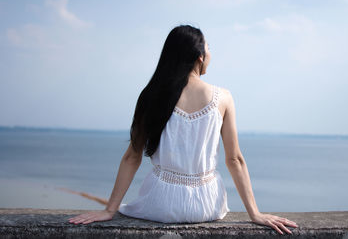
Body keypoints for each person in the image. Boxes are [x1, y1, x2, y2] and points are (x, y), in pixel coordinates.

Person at [68, 24, 298, 235]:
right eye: (209, 48)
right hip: (207, 206)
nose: (210, 54)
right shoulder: (223, 97)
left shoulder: (151, 95)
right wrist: (255, 214)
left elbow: (132, 157)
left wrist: (110, 210)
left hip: (160, 205)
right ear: (200, 56)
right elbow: (234, 159)